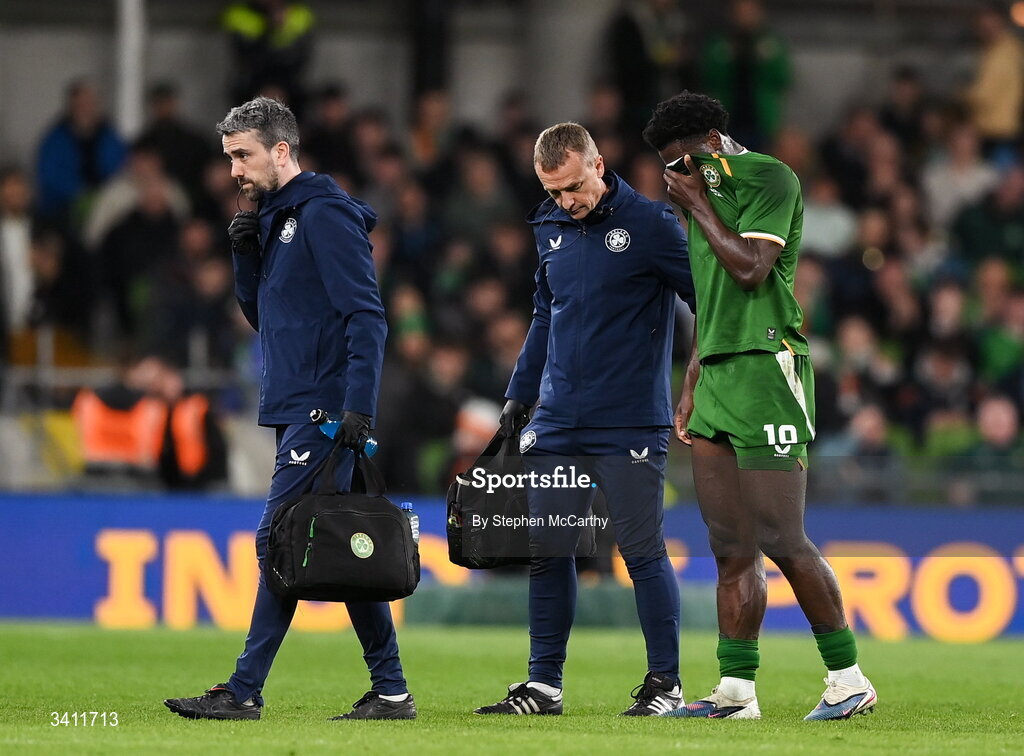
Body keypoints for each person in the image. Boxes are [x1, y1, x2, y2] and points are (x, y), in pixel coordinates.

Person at [164, 97, 414, 721]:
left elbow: (367, 315)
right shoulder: (277, 218)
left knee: (282, 537)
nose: (234, 172)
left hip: (323, 408)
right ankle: (391, 691)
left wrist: (358, 407)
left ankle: (243, 690)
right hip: (298, 402)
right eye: (229, 159)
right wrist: (246, 256)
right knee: (339, 541)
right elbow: (264, 320)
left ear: (282, 151)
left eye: (243, 156)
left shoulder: (323, 214)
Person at [642, 91, 876, 720]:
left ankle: (848, 678)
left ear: (713, 144)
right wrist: (690, 380)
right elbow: (709, 299)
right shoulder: (698, 198)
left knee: (782, 537)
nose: (676, 176)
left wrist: (695, 205)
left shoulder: (770, 177)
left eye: (683, 160)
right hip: (717, 372)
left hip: (767, 367)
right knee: (730, 545)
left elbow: (749, 269)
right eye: (667, 166)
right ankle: (737, 692)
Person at [474, 123, 696, 717]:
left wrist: (697, 380)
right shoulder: (548, 227)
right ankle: (543, 686)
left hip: (629, 421)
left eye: (573, 186)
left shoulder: (652, 226)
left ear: (599, 163)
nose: (566, 202)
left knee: (640, 551)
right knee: (550, 549)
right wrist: (521, 393)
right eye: (553, 192)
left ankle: (665, 687)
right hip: (558, 417)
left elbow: (708, 303)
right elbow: (547, 314)